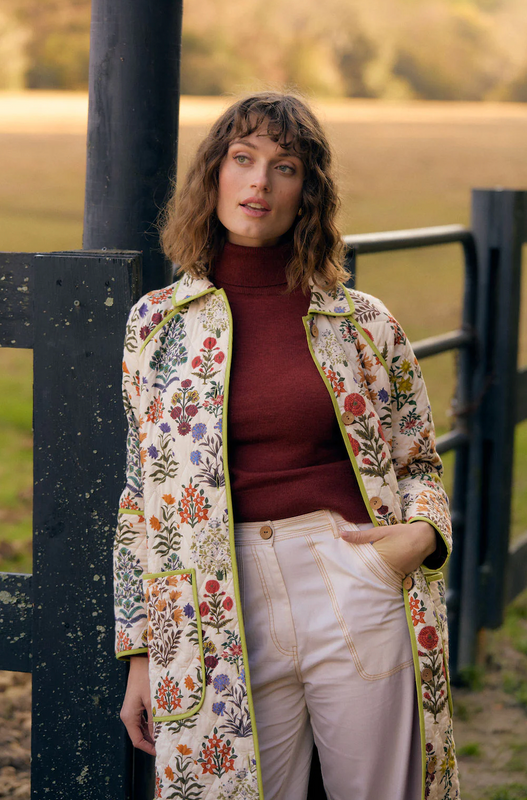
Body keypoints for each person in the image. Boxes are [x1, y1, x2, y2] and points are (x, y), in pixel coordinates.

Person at [114, 91, 459, 800]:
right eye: (241, 160)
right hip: (211, 602)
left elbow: (417, 460)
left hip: (352, 579)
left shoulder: (362, 324)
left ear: (308, 192)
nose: (259, 183)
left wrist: (417, 537)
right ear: (213, 174)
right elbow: (139, 496)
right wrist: (144, 651)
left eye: (284, 167)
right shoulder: (156, 326)